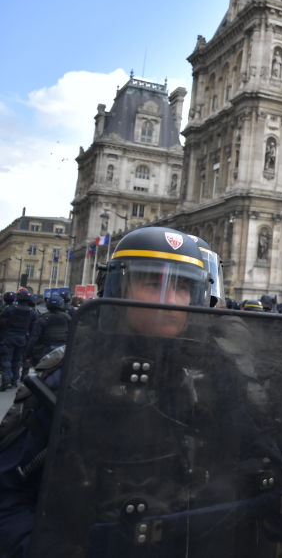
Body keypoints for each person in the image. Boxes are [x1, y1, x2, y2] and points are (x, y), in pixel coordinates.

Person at [0, 226, 213, 556]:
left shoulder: (208, 379)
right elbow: (7, 495)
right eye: (153, 283)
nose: (170, 301)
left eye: (182, 286)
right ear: (118, 290)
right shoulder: (68, 375)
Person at [0, 290, 39, 391]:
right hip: (22, 338)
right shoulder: (32, 312)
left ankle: (6, 380)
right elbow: (33, 328)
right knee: (17, 360)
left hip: (8, 337)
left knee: (6, 359)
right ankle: (14, 380)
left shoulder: (9, 309)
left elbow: (2, 324)